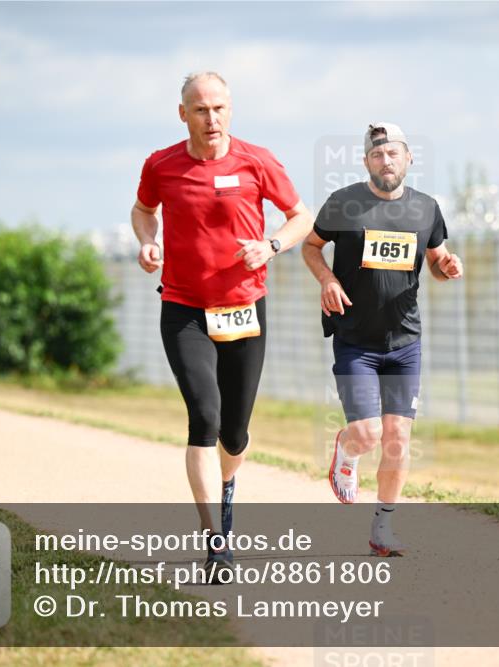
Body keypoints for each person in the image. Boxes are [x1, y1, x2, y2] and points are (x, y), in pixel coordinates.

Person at [131, 72, 313, 576]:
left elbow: (301, 215)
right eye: (200, 109)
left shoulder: (257, 160)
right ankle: (216, 542)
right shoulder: (161, 164)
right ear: (182, 113)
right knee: (204, 417)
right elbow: (143, 210)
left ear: (230, 110)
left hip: (244, 307)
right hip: (185, 307)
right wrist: (148, 241)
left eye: (219, 108)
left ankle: (229, 486)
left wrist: (271, 245)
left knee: (234, 433)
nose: (211, 118)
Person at [302, 122, 463, 557]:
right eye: (377, 155)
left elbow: (434, 259)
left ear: (409, 158)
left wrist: (445, 265)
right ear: (366, 161)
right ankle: (346, 449)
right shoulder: (344, 203)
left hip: (405, 341)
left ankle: (383, 528)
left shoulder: (426, 209)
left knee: (398, 438)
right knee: (369, 433)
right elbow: (311, 246)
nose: (385, 161)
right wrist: (327, 279)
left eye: (393, 153)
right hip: (355, 340)